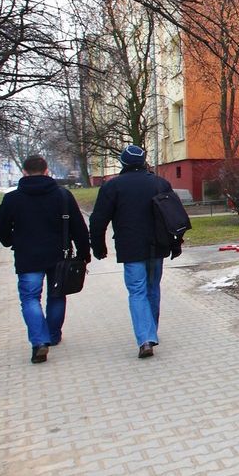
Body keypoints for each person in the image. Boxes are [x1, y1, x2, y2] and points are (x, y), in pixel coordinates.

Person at [0, 155, 90, 364]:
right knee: (56, 295)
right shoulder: (62, 196)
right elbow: (79, 228)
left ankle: (39, 342)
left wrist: (11, 241)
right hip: (59, 256)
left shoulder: (13, 199)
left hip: (27, 257)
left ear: (24, 172)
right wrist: (84, 254)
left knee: (29, 298)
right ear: (47, 171)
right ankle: (53, 335)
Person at [90, 144, 179, 358]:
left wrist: (98, 246)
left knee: (137, 291)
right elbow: (174, 215)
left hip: (130, 248)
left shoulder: (113, 187)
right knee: (152, 288)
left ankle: (146, 338)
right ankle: (151, 330)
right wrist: (175, 243)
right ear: (143, 162)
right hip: (157, 246)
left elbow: (98, 220)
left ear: (123, 163)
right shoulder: (160, 183)